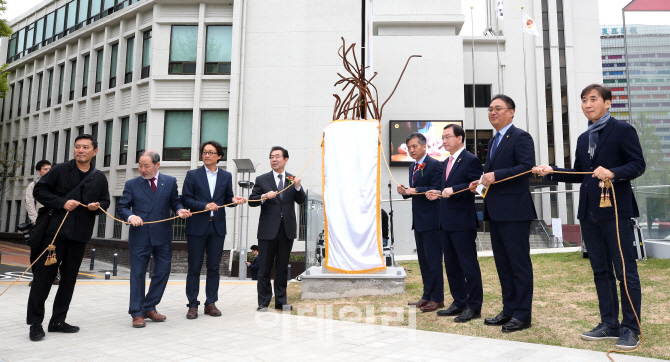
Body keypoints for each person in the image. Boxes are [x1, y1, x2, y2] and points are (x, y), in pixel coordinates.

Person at [532, 84, 645, 350]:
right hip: (589, 214)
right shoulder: (583, 138)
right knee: (600, 271)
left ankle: (631, 328)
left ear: (608, 103)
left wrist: (614, 172)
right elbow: (579, 173)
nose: (587, 104)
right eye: (583, 100)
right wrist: (550, 171)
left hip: (616, 211)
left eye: (593, 99)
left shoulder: (623, 130)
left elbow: (638, 165)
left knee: (625, 272)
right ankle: (609, 324)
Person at [27, 134, 110, 341]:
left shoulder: (99, 177)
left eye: (85, 147)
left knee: (69, 280)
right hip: (54, 235)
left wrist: (96, 207)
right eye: (77, 147)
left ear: (95, 151)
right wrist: (61, 203)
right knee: (43, 279)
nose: (80, 150)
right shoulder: (60, 170)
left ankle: (57, 320)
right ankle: (35, 323)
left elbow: (105, 202)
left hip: (79, 235)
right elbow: (40, 190)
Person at [468, 94, 537, 332]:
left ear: (511, 111)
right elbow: (492, 175)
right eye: (489, 109)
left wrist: (496, 175)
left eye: (497, 108)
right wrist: (480, 183)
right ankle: (508, 310)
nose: (492, 112)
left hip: (515, 211)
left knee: (518, 265)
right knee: (503, 265)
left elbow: (527, 168)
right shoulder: (494, 141)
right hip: (495, 211)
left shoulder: (520, 137)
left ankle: (522, 315)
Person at [117, 150, 192, 328]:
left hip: (162, 235)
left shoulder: (170, 181)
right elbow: (122, 207)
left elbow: (175, 202)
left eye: (146, 166)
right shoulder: (132, 184)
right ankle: (137, 313)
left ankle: (149, 306)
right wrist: (130, 217)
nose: (142, 169)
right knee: (137, 274)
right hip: (140, 235)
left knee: (163, 271)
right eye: (140, 165)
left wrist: (180, 210)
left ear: (157, 165)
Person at [181, 141, 246, 319]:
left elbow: (226, 199)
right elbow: (186, 198)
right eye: (204, 152)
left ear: (219, 156)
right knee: (194, 268)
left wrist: (234, 199)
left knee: (214, 268)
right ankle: (192, 305)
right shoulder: (192, 175)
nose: (207, 155)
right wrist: (204, 205)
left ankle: (211, 303)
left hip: (217, 227)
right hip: (196, 227)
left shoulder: (226, 176)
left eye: (211, 152)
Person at [427, 124, 483, 323]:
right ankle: (459, 301)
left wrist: (454, 188)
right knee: (451, 266)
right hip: (446, 222)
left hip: (463, 222)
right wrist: (436, 192)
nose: (444, 141)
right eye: (442, 138)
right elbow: (444, 189)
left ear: (460, 138)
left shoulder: (471, 160)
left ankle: (474, 306)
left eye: (448, 137)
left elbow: (478, 186)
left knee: (468, 266)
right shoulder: (446, 162)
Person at [249, 146, 306, 312]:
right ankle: (263, 302)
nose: (274, 159)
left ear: (285, 160)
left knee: (282, 267)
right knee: (264, 267)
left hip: (286, 230)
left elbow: (301, 200)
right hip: (267, 230)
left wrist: (297, 186)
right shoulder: (262, 179)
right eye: (271, 157)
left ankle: (281, 301)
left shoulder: (292, 179)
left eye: (277, 157)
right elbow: (252, 201)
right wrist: (263, 196)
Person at [397, 133, 444, 313]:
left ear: (424, 146)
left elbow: (437, 188)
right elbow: (414, 192)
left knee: (433, 261)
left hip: (433, 220)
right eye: (409, 147)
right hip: (419, 221)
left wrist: (415, 189)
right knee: (423, 261)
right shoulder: (412, 167)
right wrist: (405, 191)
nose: (411, 150)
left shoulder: (435, 165)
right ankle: (427, 295)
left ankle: (437, 298)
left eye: (415, 146)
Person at [26, 160, 59, 286]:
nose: (48, 171)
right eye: (45, 169)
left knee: (53, 250)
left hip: (54, 222)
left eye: (50, 169)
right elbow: (29, 204)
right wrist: (36, 221)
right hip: (39, 223)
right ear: (38, 171)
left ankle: (53, 277)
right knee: (36, 250)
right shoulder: (33, 185)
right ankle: (37, 277)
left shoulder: (56, 185)